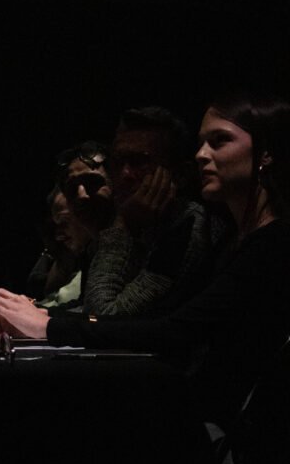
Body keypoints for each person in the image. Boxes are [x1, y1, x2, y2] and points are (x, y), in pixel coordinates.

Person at [0, 91, 290, 435]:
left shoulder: (209, 231)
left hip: (220, 430)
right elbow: (128, 322)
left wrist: (48, 324)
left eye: (219, 141)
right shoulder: (233, 239)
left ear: (266, 153)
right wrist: (41, 316)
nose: (202, 154)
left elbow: (148, 325)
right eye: (118, 161)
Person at [81, 105, 230, 317]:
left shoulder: (188, 229)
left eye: (139, 162)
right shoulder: (134, 220)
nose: (124, 174)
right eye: (117, 162)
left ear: (180, 175)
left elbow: (101, 315)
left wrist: (122, 226)